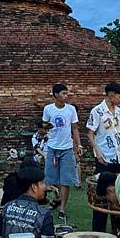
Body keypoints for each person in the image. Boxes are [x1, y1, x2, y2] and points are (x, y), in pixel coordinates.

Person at [86, 81, 120, 231]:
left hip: (119, 156)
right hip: (104, 156)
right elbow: (90, 133)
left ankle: (118, 227)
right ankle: (99, 230)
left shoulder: (118, 111)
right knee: (102, 192)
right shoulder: (97, 111)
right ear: (111, 95)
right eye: (119, 97)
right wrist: (97, 151)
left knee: (118, 190)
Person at [42, 83, 83, 220]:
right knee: (51, 179)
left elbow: (75, 128)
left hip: (67, 149)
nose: (66, 96)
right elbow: (43, 126)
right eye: (63, 93)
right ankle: (57, 198)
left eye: (67, 93)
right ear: (55, 95)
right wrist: (46, 129)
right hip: (52, 148)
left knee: (65, 180)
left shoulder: (71, 109)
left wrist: (79, 145)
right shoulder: (48, 109)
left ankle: (63, 209)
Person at [0, 165, 55, 238]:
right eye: (42, 183)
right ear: (34, 187)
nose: (45, 187)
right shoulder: (44, 214)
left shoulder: (7, 207)